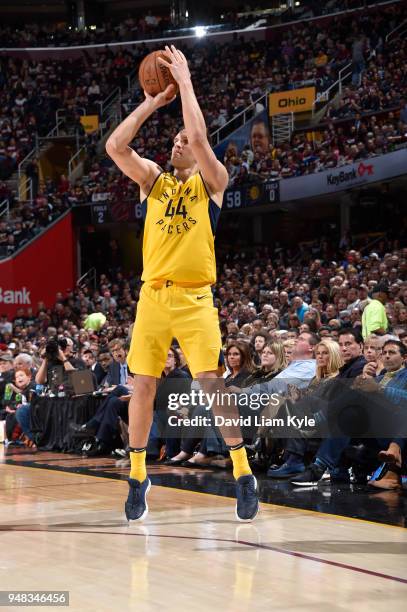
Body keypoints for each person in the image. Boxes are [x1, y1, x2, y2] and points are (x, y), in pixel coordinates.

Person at [105, 44, 259, 522]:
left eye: (183, 140)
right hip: (153, 296)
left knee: (212, 385)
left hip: (195, 298)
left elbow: (197, 132)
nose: (177, 141)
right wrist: (153, 102)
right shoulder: (154, 181)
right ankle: (137, 475)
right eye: (173, 139)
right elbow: (115, 146)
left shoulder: (213, 180)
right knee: (142, 386)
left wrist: (187, 83)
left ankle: (242, 471)